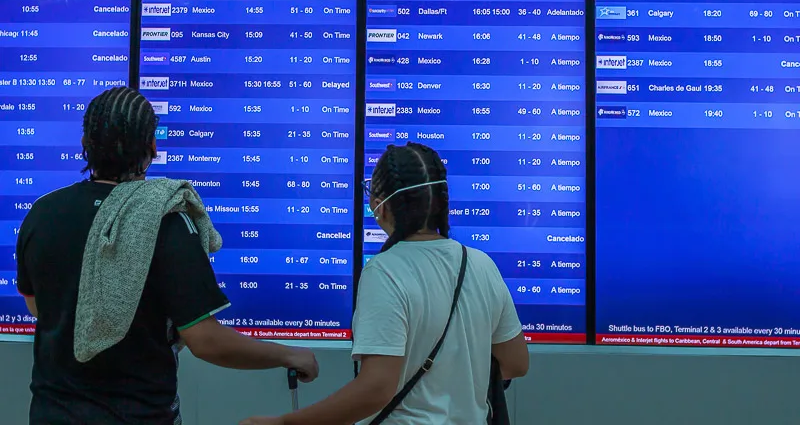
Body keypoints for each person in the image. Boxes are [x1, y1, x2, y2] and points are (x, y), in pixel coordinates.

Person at [15, 86, 318, 425]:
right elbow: (205, 340)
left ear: (86, 145)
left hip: (51, 414)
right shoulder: (162, 219)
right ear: (152, 148)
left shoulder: (42, 213)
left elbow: (36, 306)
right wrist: (290, 354)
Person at [241, 142, 529, 425]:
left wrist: (285, 423)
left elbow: (376, 389)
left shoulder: (385, 270)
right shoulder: (480, 263)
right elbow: (517, 362)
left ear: (383, 206)